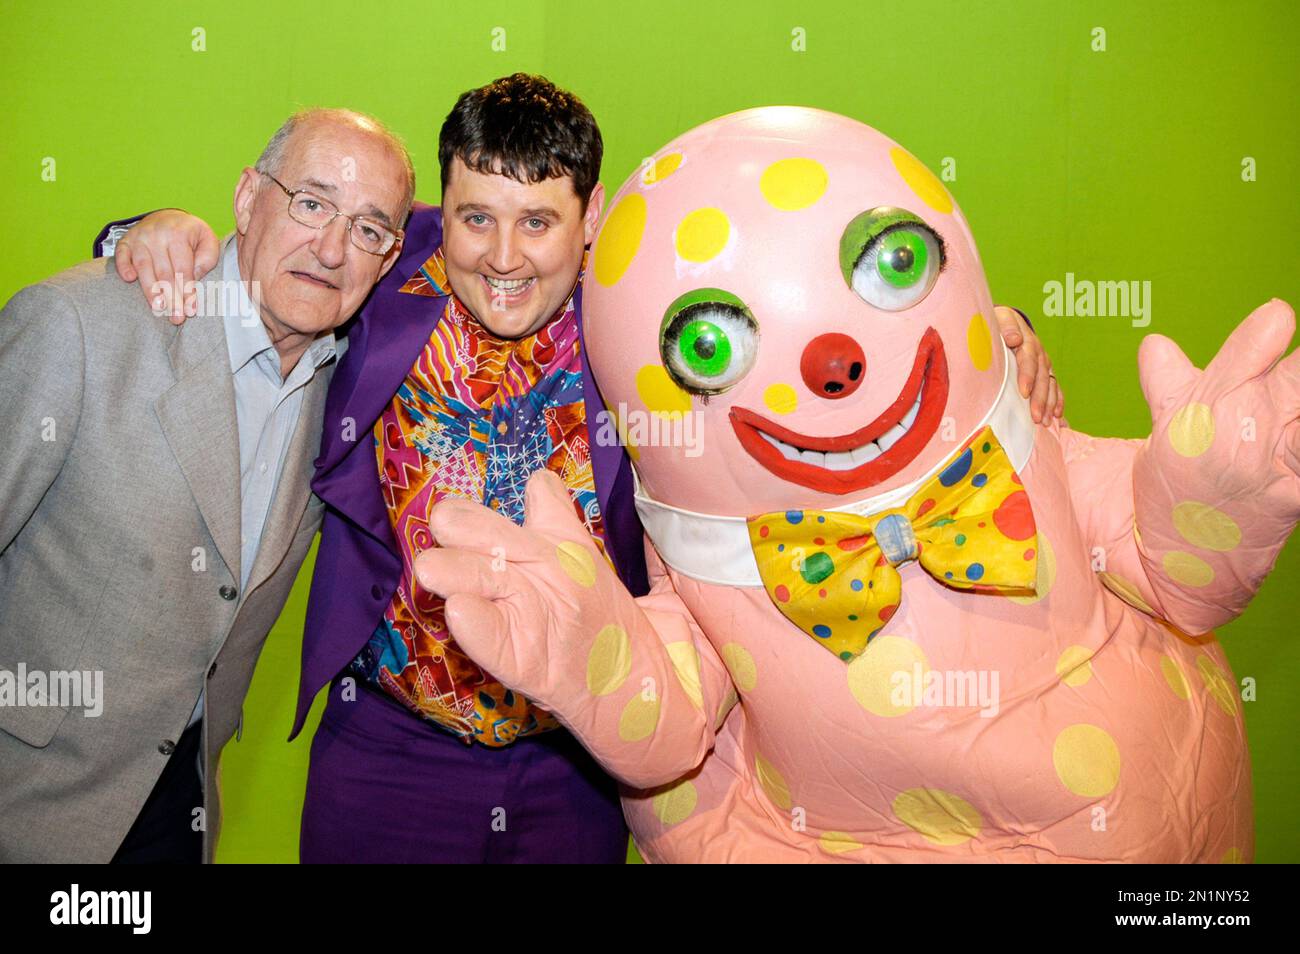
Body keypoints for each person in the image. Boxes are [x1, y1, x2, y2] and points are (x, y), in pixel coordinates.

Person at [108, 73, 1064, 863]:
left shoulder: (644, 316)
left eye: (539, 222)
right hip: (387, 743)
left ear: (593, 217)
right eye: (476, 219)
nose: (504, 257)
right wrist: (140, 231)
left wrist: (996, 330)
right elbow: (285, 256)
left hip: (579, 762)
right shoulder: (383, 280)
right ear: (441, 216)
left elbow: (810, 324)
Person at [0, 107, 413, 863]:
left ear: (386, 260)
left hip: (180, 806)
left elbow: (497, 258)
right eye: (311, 203)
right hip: (25, 798)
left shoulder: (350, 396)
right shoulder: (80, 326)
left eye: (367, 229)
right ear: (249, 198)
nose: (329, 249)